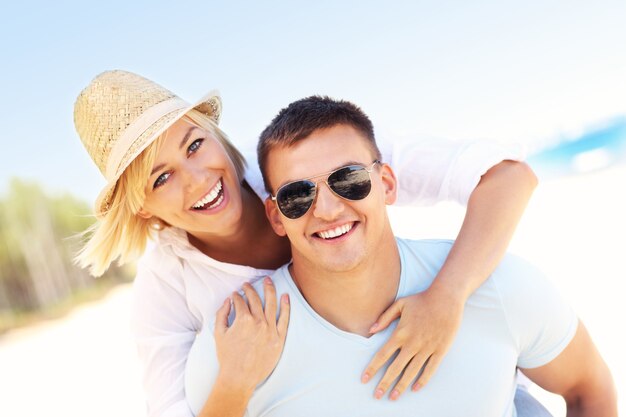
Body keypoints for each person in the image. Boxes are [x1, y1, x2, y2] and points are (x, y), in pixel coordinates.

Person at [73, 71, 538, 417]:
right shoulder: (165, 290)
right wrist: (235, 382)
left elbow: (506, 176)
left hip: (467, 385)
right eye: (162, 178)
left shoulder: (302, 167)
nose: (197, 182)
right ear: (142, 208)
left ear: (213, 133)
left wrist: (446, 297)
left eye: (194, 145)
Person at [185, 96, 617, 417]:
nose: (328, 209)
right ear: (276, 216)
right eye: (299, 195)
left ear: (388, 183)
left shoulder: (497, 285)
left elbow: (589, 388)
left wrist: (448, 296)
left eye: (349, 179)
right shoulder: (234, 348)